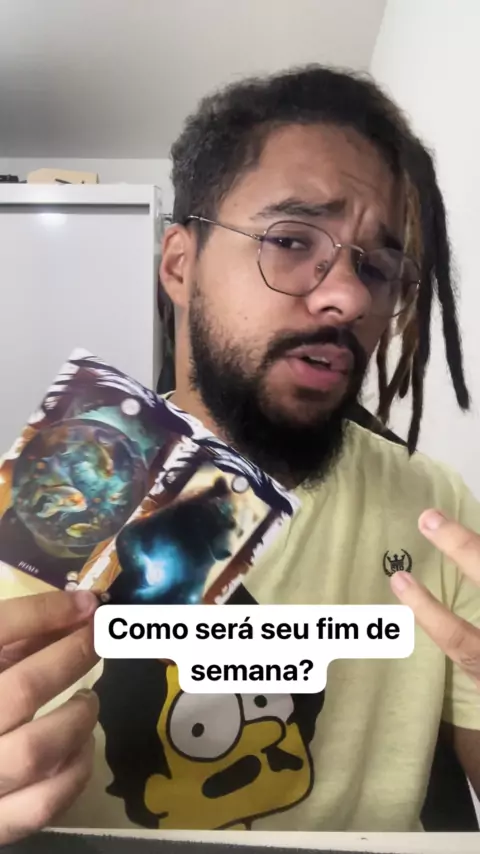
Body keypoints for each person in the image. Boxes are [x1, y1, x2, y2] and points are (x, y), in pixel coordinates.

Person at [1, 64, 480, 843]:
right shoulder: (46, 500)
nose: (349, 297)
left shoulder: (439, 512)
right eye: (291, 241)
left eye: (378, 266)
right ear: (179, 266)